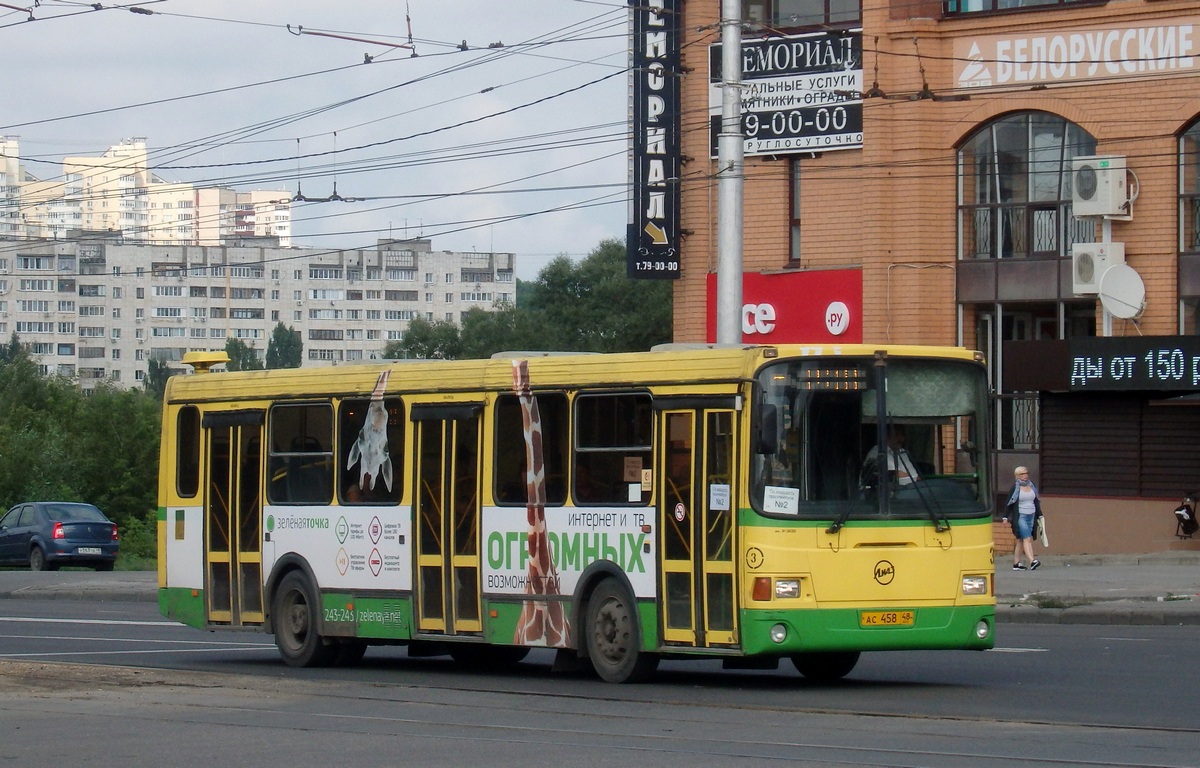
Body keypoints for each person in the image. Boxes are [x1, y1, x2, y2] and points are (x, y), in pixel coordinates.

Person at [1002, 466, 1042, 570]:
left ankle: (1016, 563)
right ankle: (1032, 560)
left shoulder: (1031, 486)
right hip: (1021, 516)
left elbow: (1036, 501)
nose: (1025, 476)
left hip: (1031, 515)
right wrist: (1005, 516)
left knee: (1021, 540)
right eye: (1022, 474)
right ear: (1017, 476)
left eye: (1026, 474)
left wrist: (1040, 514)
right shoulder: (1015, 488)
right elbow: (1009, 503)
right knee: (1027, 538)